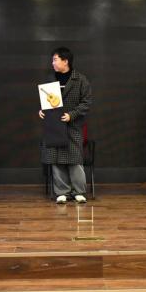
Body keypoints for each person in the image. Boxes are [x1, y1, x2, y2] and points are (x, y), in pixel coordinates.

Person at [39, 47, 92, 204]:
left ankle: (79, 191)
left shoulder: (80, 80)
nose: (52, 63)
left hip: (73, 126)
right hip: (54, 126)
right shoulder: (50, 80)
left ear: (65, 61)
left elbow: (86, 103)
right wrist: (41, 111)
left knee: (75, 160)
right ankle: (62, 192)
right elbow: (45, 102)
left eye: (55, 59)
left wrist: (72, 115)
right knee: (56, 159)